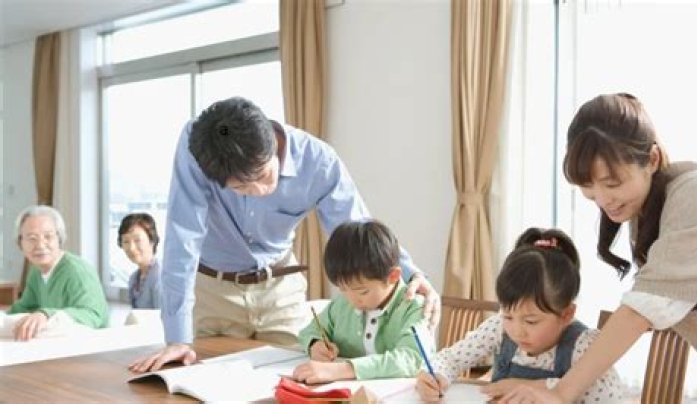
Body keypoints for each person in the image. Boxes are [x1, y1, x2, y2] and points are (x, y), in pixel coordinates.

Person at [129, 97, 440, 373]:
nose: (259, 191)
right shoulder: (197, 149)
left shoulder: (318, 161)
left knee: (293, 381)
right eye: (240, 188)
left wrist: (412, 274)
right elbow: (183, 237)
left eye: (263, 175)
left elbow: (359, 233)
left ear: (273, 144)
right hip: (212, 291)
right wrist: (177, 338)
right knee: (207, 384)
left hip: (279, 289)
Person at [494, 93, 697, 403]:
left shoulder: (695, 196)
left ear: (652, 160)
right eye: (588, 186)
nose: (602, 200)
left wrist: (562, 391)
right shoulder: (648, 210)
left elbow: (641, 310)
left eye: (612, 183)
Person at [416, 227, 623, 403]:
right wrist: (435, 375)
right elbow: (450, 358)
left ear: (566, 314)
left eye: (531, 321)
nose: (516, 331)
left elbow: (610, 398)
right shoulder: (499, 328)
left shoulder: (584, 346)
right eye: (508, 316)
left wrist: (539, 386)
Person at [292, 220, 433, 384]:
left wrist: (343, 369)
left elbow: (412, 358)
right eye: (343, 289)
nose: (352, 300)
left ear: (393, 276)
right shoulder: (342, 304)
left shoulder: (415, 307)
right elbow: (309, 331)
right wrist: (315, 344)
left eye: (362, 291)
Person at [7, 205, 109, 340]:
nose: (40, 245)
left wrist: (45, 314)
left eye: (48, 237)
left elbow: (93, 315)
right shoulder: (36, 271)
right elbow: (24, 307)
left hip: (90, 345)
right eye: (32, 238)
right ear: (20, 243)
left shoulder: (77, 271)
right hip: (54, 344)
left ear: (59, 238)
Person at [118, 213, 161, 309]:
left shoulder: (160, 277)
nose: (131, 248)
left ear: (152, 240)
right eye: (126, 241)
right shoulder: (133, 278)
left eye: (137, 240)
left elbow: (163, 316)